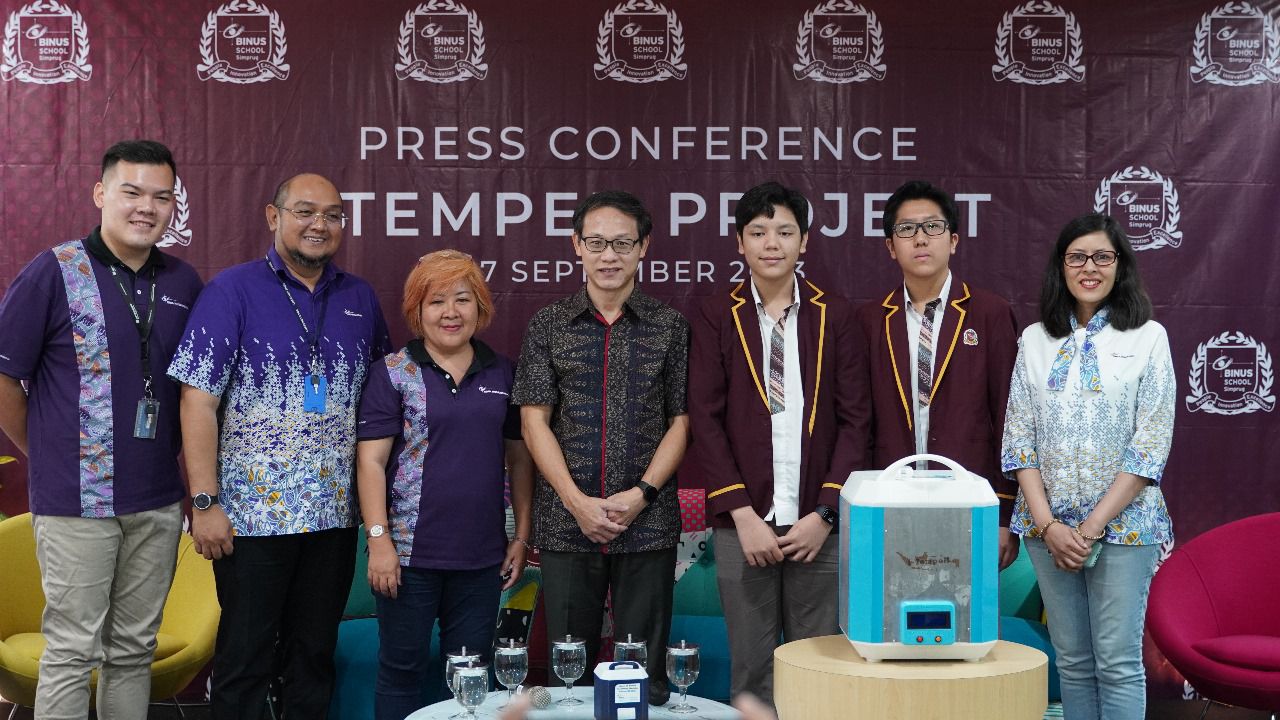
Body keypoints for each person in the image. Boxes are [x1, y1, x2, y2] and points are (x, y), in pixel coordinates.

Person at [167, 173, 390, 719]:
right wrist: (204, 502)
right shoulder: (232, 290)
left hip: (335, 519)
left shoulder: (359, 297)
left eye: (333, 215)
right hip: (250, 520)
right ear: (274, 217)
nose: (320, 225)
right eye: (306, 212)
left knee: (313, 657)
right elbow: (197, 402)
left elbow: (382, 402)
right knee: (245, 661)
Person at [0, 140, 203, 719]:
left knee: (132, 651)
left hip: (158, 500)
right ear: (100, 193)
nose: (146, 207)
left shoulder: (184, 283)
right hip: (74, 502)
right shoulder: (54, 272)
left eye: (162, 197)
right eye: (132, 192)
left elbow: (198, 393)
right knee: (70, 649)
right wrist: (47, 452)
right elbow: (4, 380)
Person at [687, 181, 869, 707]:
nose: (772, 243)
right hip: (741, 524)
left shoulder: (835, 313)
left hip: (819, 526)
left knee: (820, 668)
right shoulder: (717, 313)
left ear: (805, 241)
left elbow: (857, 421)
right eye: (758, 232)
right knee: (751, 668)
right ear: (740, 242)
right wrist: (742, 513)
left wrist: (826, 512)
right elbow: (706, 417)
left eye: (784, 231)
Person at [512, 190, 689, 706]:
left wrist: (642, 494)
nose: (609, 255)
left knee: (646, 681)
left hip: (647, 523)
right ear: (576, 246)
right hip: (568, 524)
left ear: (643, 248)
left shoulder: (670, 327)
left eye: (621, 243)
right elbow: (533, 422)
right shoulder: (547, 324)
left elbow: (680, 422)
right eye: (596, 242)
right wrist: (576, 501)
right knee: (569, 677)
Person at [1001, 213, 1174, 720]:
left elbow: (1150, 445)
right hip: (1047, 530)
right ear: (1061, 266)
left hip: (1123, 527)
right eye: (1077, 257)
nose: (1090, 267)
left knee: (1118, 662)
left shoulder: (1148, 337)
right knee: (1073, 662)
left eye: (1103, 256)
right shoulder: (1035, 339)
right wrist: (1050, 526)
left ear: (1120, 266)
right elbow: (1019, 441)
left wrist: (1092, 526)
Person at [355, 250, 534, 720]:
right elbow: (371, 463)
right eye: (436, 301)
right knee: (401, 669)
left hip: (481, 558)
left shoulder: (503, 371)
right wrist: (379, 542)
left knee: (471, 674)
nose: (450, 312)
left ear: (481, 307)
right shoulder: (393, 372)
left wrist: (520, 537)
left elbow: (519, 458)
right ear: (417, 311)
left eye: (463, 299)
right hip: (409, 556)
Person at [855, 180, 1020, 568]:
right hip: (890, 502)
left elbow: (1011, 419)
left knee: (966, 622)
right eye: (907, 229)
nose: (921, 239)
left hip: (970, 500)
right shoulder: (870, 320)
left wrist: (1004, 513)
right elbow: (858, 424)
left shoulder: (989, 314)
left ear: (954, 239)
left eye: (933, 227)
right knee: (891, 623)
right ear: (891, 247)